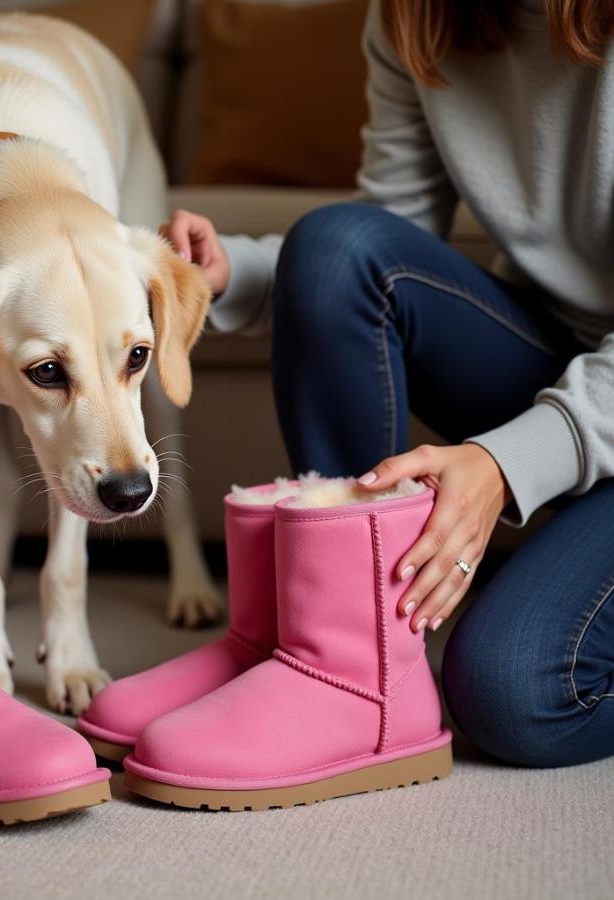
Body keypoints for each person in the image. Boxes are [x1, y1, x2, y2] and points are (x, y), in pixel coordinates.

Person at [161, 0, 614, 768]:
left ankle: (350, 669)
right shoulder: (417, 15)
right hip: (560, 354)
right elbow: (381, 244)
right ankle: (345, 660)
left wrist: (507, 464)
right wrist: (234, 273)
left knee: (514, 691)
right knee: (334, 247)